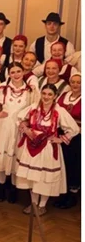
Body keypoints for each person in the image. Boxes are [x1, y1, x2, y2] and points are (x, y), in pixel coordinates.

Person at [14, 83, 79, 214]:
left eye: (50, 94)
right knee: (32, 177)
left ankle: (42, 205)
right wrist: (26, 128)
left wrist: (60, 139)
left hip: (48, 148)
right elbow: (20, 119)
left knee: (45, 177)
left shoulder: (59, 111)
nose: (46, 97)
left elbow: (74, 129)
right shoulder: (34, 107)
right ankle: (33, 203)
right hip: (32, 146)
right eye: (44, 93)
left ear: (55, 96)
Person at [0, 63, 37, 202]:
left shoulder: (31, 90)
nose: (16, 75)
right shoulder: (2, 88)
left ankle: (13, 187)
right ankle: (1, 186)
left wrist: (27, 122)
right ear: (8, 74)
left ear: (23, 72)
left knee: (15, 156)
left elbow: (35, 109)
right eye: (12, 72)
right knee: (2, 156)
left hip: (19, 129)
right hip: (3, 126)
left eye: (18, 71)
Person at [55, 71, 81, 209]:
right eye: (73, 82)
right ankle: (62, 193)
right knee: (63, 163)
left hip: (78, 137)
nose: (75, 84)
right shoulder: (64, 96)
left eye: (79, 82)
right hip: (61, 135)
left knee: (74, 165)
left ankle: (72, 195)